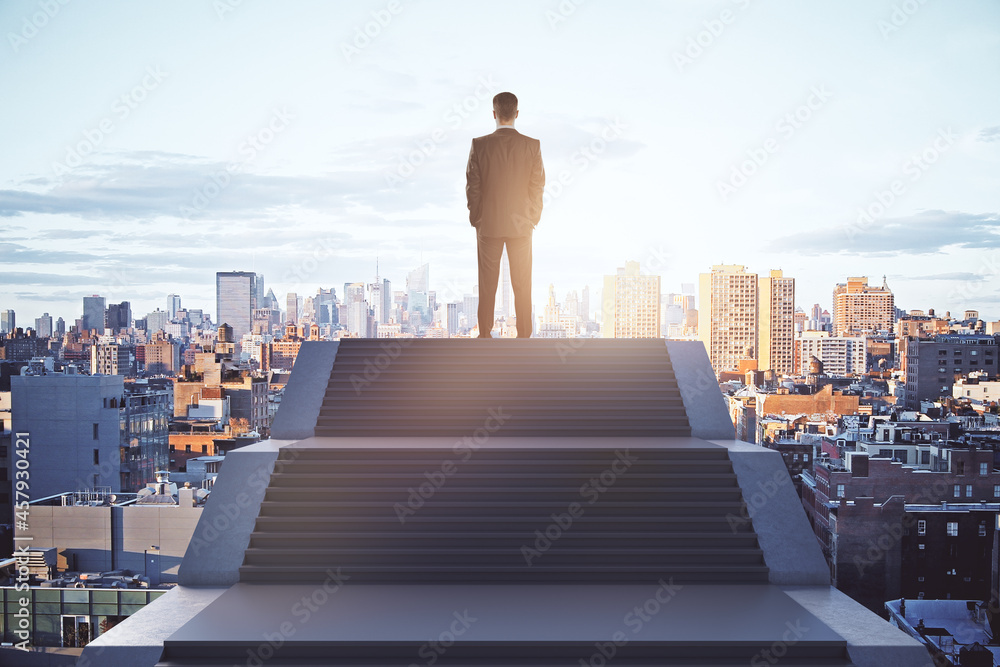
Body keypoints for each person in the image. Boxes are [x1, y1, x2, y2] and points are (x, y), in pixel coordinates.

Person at [465, 91, 545, 338]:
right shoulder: (532, 146)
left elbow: (472, 185)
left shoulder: (479, 145)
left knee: (487, 284)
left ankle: (485, 335)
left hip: (488, 224)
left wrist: (477, 218)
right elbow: (538, 185)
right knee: (522, 283)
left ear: (494, 114)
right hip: (522, 225)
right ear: (517, 114)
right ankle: (524, 336)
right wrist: (532, 217)